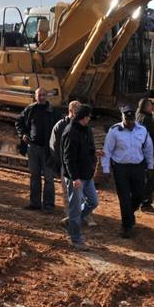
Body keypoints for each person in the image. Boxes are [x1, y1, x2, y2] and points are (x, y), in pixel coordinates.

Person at [101, 105, 153, 238]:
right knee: (124, 198)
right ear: (122, 117)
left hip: (138, 167)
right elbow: (107, 151)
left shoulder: (142, 130)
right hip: (120, 168)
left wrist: (150, 167)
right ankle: (127, 226)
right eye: (127, 118)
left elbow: (148, 149)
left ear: (135, 118)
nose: (129, 122)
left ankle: (129, 214)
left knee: (139, 195)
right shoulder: (114, 131)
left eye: (131, 119)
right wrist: (106, 169)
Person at [16, 88, 62, 211]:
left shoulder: (54, 112)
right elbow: (19, 122)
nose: (41, 97)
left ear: (46, 96)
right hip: (33, 148)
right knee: (34, 177)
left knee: (48, 178)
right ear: (35, 96)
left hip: (47, 151)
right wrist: (23, 134)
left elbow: (60, 129)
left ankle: (48, 205)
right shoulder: (30, 109)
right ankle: (34, 203)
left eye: (43, 95)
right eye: (39, 95)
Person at [61, 104, 98, 250]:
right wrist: (74, 178)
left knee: (93, 202)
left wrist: (95, 152)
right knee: (75, 208)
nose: (90, 119)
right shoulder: (71, 132)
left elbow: (88, 148)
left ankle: (71, 222)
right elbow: (68, 158)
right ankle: (76, 239)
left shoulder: (86, 129)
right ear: (83, 117)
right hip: (76, 177)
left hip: (87, 174)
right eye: (88, 117)